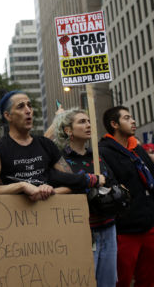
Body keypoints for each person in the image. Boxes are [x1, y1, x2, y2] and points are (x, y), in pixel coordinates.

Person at [0, 90, 105, 198]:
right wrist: (21, 186)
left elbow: (72, 183)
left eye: (30, 105)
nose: (28, 110)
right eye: (20, 107)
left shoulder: (46, 144)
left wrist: (49, 191)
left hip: (48, 220)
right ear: (8, 116)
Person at [53, 109, 118, 287]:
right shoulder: (60, 160)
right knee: (85, 280)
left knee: (108, 281)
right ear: (68, 131)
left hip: (108, 226)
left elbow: (111, 181)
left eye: (89, 121)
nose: (88, 125)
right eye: (82, 122)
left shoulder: (97, 156)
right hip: (80, 230)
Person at [99, 106, 154, 287]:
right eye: (127, 118)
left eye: (132, 117)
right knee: (122, 280)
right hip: (125, 230)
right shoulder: (104, 151)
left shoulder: (136, 148)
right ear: (114, 124)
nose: (133, 121)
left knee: (148, 278)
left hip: (149, 225)